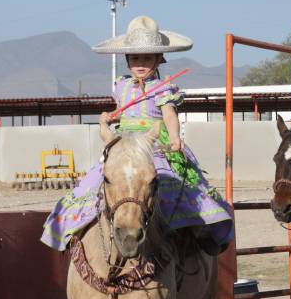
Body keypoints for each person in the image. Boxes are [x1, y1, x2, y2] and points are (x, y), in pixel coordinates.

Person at [40, 15, 233, 253]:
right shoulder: (121, 85)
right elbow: (124, 114)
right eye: (135, 58)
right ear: (127, 60)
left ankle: (194, 236)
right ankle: (76, 233)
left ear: (158, 59)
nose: (140, 63)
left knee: (172, 182)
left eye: (147, 58)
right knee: (95, 182)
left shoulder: (162, 88)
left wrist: (175, 137)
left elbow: (169, 114)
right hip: (124, 143)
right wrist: (109, 117)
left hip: (153, 144)